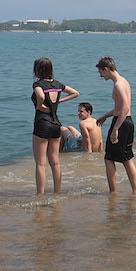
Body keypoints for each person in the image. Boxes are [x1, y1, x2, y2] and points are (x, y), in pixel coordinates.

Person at [31, 57, 80, 194]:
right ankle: (57, 192)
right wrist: (60, 102)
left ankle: (40, 194)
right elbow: (76, 93)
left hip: (42, 123)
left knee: (41, 163)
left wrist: (40, 105)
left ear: (37, 70)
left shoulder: (38, 84)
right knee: (55, 162)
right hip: (56, 124)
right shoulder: (58, 84)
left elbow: (40, 96)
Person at [95, 56, 136, 194]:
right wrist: (105, 116)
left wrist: (115, 129)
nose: (100, 76)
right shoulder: (124, 81)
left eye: (100, 72)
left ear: (106, 69)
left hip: (121, 123)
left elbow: (124, 108)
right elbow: (120, 108)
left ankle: (113, 192)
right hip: (128, 121)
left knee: (109, 158)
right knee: (127, 158)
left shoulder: (118, 85)